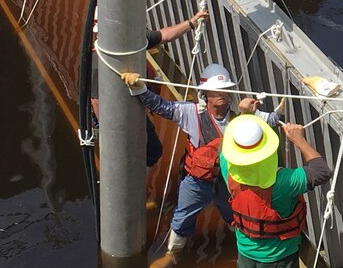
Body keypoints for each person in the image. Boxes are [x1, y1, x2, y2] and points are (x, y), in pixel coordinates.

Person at [120, 62, 280, 251]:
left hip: (228, 179)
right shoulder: (191, 112)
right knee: (183, 217)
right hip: (197, 181)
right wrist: (140, 89)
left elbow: (275, 119)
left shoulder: (241, 113)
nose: (222, 94)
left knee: (237, 214)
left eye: (225, 90)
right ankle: (173, 253)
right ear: (205, 95)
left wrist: (256, 112)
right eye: (216, 91)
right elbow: (161, 106)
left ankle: (245, 248)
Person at [220, 114, 333, 268]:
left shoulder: (229, 169)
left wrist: (243, 116)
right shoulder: (284, 182)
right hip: (279, 259)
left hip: (246, 254)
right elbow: (322, 171)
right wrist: (299, 140)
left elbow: (231, 144)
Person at [89, 7, 209, 169]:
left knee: (153, 151)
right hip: (117, 117)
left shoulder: (133, 41)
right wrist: (111, 136)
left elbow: (163, 35)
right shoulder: (98, 63)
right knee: (130, 157)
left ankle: (138, 169)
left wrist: (191, 23)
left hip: (136, 105)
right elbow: (97, 101)